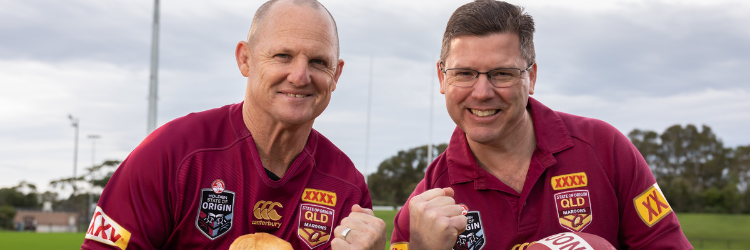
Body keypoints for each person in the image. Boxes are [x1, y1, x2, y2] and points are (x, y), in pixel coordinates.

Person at [81, 0, 386, 249]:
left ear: (337, 75)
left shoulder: (347, 186)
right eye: (283, 56)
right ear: (245, 59)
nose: (300, 76)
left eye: (319, 62)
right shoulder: (171, 153)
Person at [390, 1, 693, 250]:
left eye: (502, 73)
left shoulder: (606, 149)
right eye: (465, 73)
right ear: (443, 79)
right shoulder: (423, 210)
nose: (482, 93)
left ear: (531, 77)